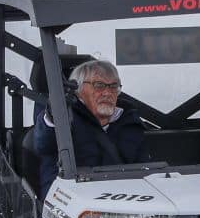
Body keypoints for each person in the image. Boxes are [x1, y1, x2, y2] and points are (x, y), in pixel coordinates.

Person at [35, 60, 148, 197]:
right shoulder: (63, 118)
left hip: (127, 202)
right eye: (99, 85)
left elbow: (146, 171)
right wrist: (55, 112)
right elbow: (43, 142)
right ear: (78, 90)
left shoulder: (130, 122)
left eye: (113, 86)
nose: (107, 93)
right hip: (71, 202)